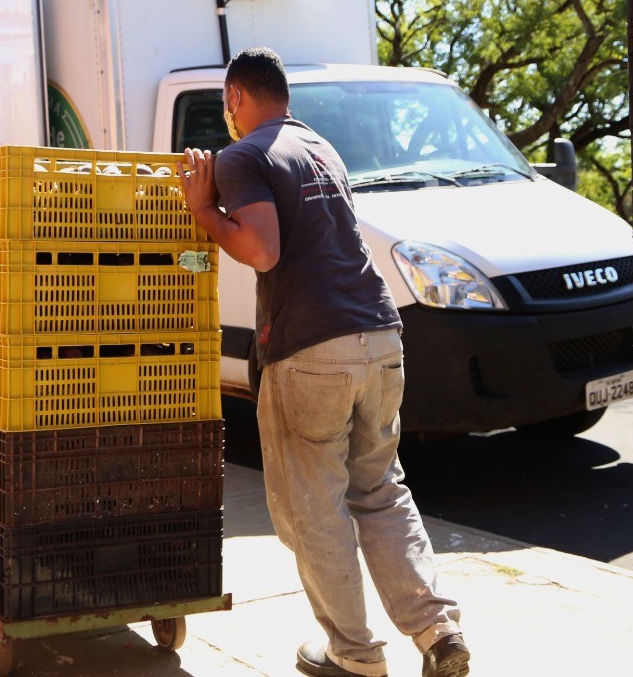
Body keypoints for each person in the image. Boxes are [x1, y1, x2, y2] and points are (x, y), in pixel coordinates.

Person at [178, 48, 469, 677]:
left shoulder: (243, 156)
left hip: (311, 350)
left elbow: (260, 249)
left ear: (234, 100)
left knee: (313, 510)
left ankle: (354, 656)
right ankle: (438, 632)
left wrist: (203, 209)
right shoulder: (321, 147)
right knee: (381, 491)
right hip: (381, 336)